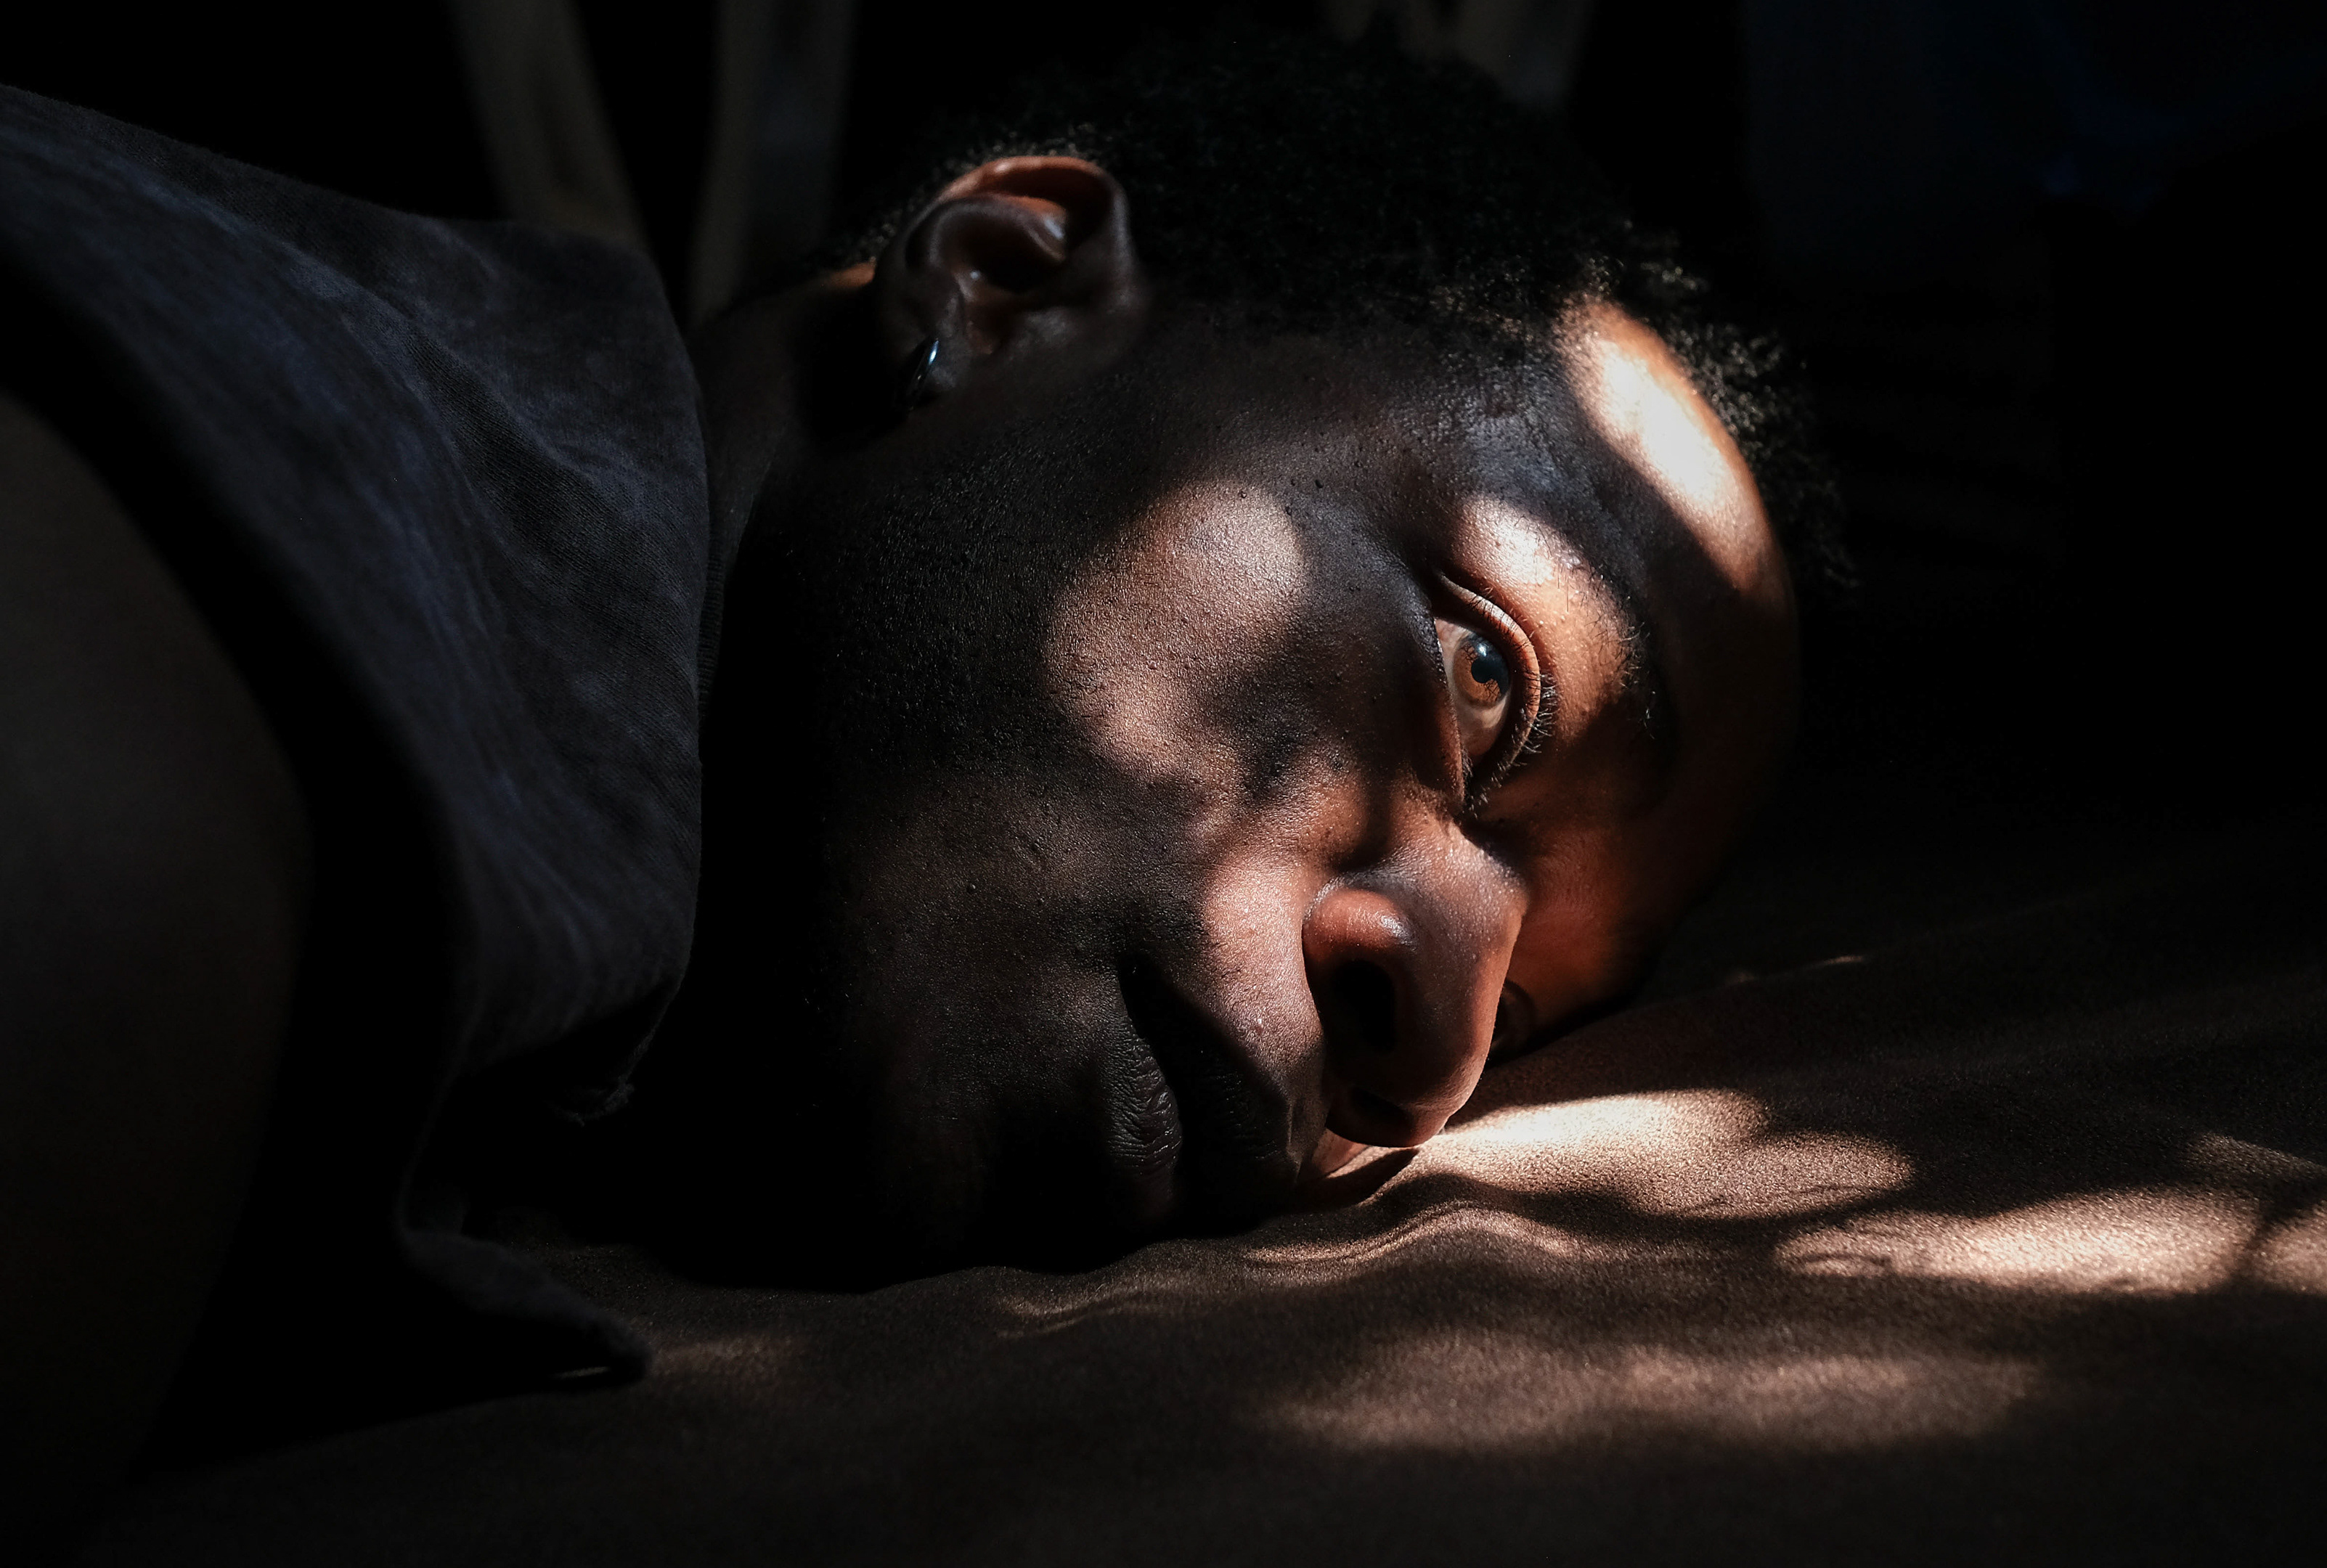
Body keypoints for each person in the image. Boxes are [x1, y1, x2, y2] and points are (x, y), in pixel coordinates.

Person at [0, 26, 1820, 1544]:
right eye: (1484, 678)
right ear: (1002, 284)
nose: (1434, 1057)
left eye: (1537, 1005)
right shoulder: (230, 548)